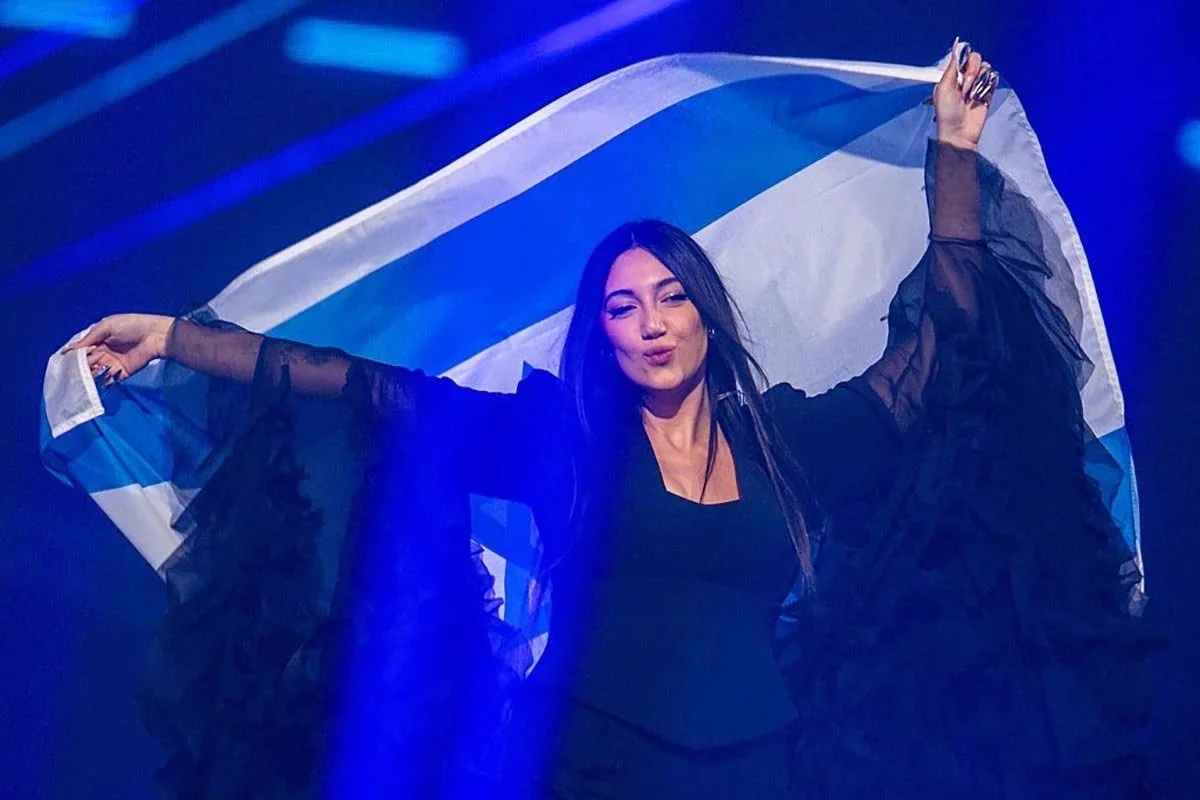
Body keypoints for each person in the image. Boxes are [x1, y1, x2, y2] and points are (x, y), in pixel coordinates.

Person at [67, 46, 1154, 799]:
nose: (652, 324)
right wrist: (173, 336)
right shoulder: (565, 445)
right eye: (624, 307)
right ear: (603, 332)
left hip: (760, 759)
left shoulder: (791, 441)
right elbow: (357, 382)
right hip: (589, 755)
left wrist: (952, 151)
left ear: (708, 314)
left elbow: (942, 344)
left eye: (672, 297)